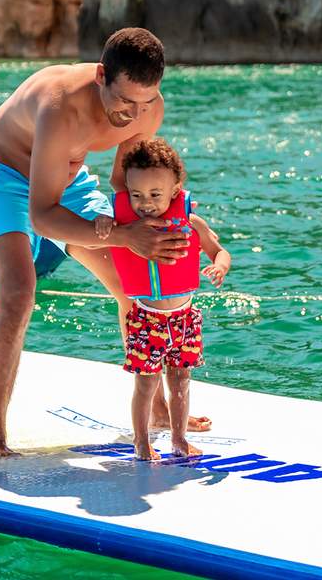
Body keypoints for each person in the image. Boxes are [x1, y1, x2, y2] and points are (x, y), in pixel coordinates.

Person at [0, 27, 209, 456]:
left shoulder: (148, 110)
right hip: (1, 175)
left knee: (134, 289)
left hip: (68, 175)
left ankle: (154, 409)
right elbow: (43, 216)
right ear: (101, 76)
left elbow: (123, 186)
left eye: (145, 102)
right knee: (19, 294)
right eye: (125, 102)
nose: (134, 114)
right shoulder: (61, 108)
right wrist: (122, 236)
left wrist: (165, 229)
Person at [93, 138, 231, 460]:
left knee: (181, 382)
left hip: (184, 317)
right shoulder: (124, 224)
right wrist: (103, 221)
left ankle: (179, 440)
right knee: (146, 384)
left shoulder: (191, 222)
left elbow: (219, 250)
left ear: (175, 189)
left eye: (155, 194)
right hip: (147, 318)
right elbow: (102, 226)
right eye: (137, 195)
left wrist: (219, 266)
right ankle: (142, 442)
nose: (146, 204)